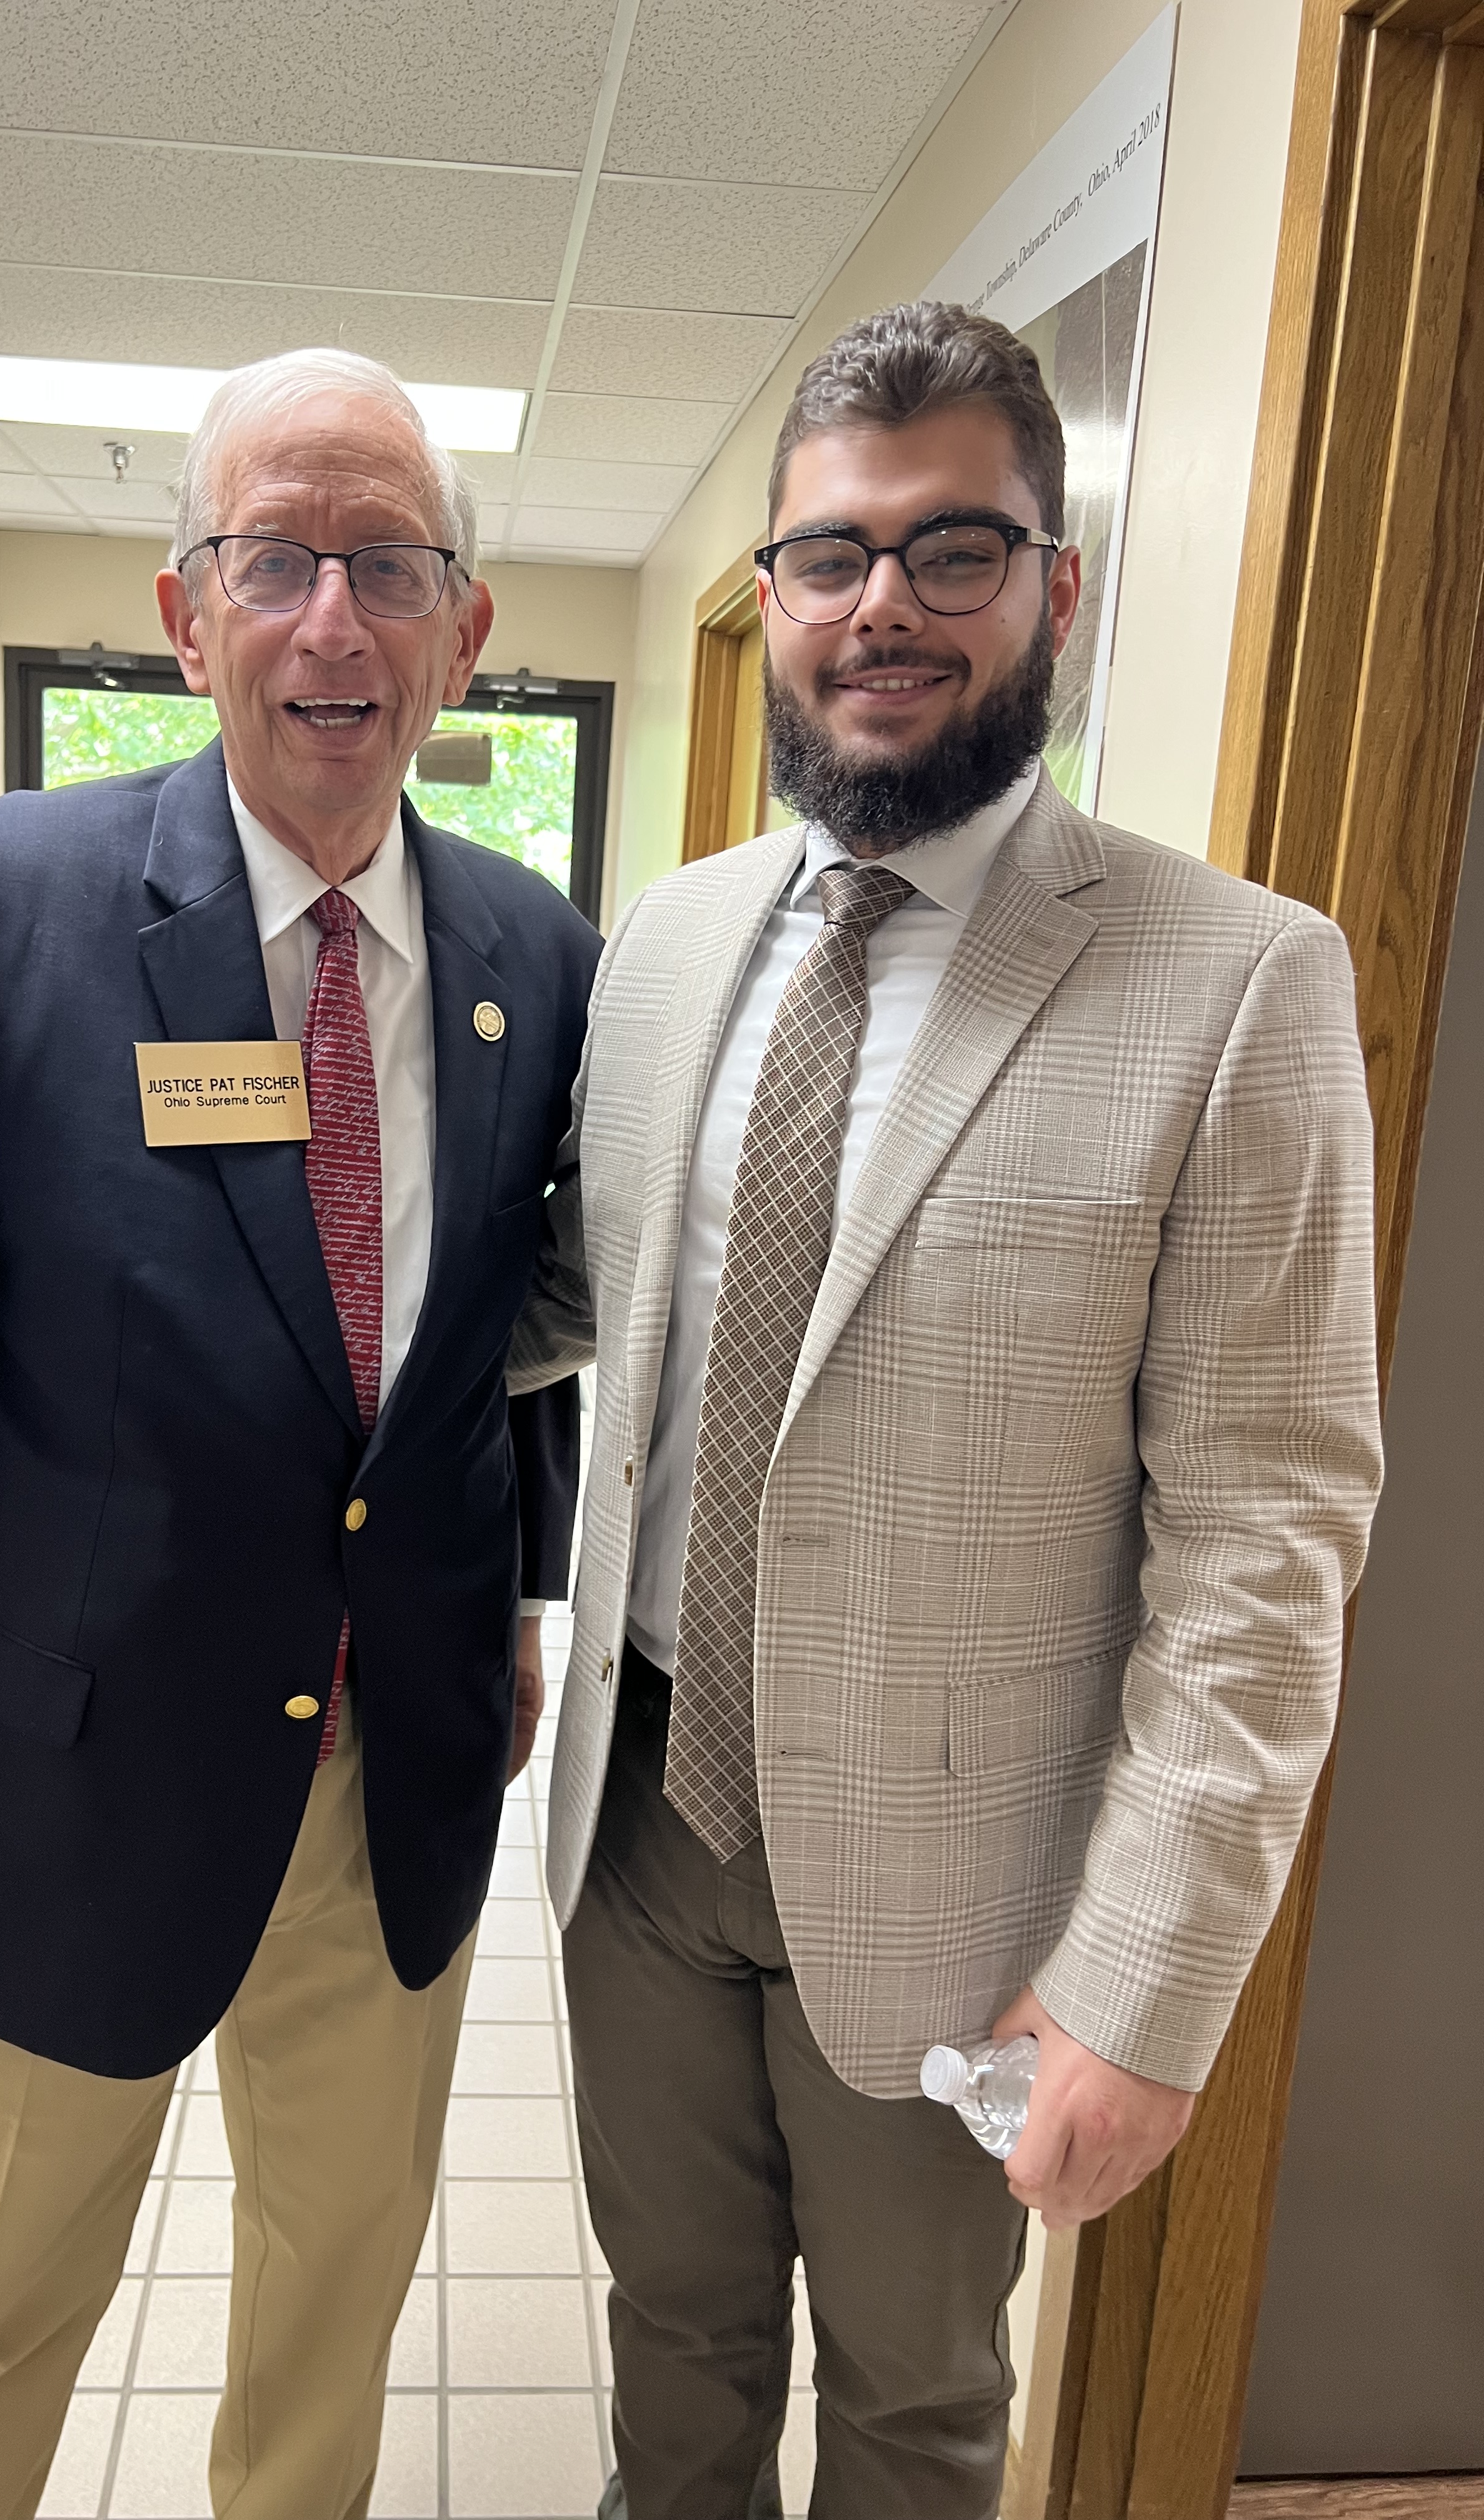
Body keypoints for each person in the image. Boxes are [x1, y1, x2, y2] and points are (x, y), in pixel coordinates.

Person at [511, 300, 1383, 2519]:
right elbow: (573, 1299)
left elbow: (1265, 1545)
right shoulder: (672, 941)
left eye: (952, 548)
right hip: (642, 1824)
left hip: (961, 1884)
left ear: (1055, 586)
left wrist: (1148, 1988)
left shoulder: (1237, 981)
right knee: (671, 2328)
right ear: (780, 591)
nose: (880, 604)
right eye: (831, 554)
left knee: (912, 2403)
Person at [0, 346, 601, 2520]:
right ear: (183, 610)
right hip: (60, 1792)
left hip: (390, 1785)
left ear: (465, 629)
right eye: (275, 560)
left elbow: (511, 1324)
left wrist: (513, 1600)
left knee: (332, 2312)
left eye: (391, 566)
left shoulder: (533, 950)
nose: (334, 620)